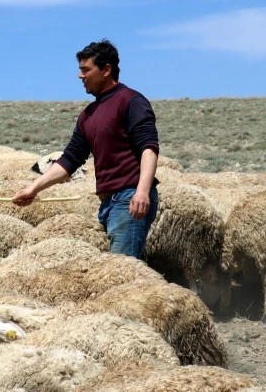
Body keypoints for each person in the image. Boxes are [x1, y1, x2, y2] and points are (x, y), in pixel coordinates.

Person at [12, 39, 160, 259]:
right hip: (107, 203)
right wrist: (34, 189)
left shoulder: (131, 101)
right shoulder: (88, 115)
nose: (80, 76)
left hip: (129, 199)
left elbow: (148, 148)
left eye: (86, 70)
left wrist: (142, 191)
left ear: (106, 69)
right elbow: (69, 159)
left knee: (122, 277)